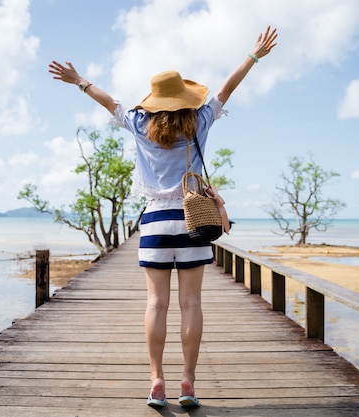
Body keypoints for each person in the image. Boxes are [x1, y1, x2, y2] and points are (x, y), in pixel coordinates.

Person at [48, 25, 278, 408]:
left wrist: (79, 81)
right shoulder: (200, 121)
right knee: (191, 303)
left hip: (155, 222)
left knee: (156, 304)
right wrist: (254, 56)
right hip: (194, 219)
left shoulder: (141, 125)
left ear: (155, 102)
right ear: (184, 99)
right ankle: (187, 382)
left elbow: (110, 103)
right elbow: (226, 90)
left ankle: (157, 379)